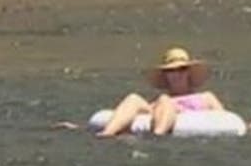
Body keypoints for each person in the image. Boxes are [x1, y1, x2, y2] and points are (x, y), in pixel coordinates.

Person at [96, 47, 224, 137]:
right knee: (134, 98)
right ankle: (107, 134)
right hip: (161, 110)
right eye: (171, 71)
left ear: (188, 72)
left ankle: (158, 134)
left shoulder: (206, 98)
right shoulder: (160, 101)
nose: (176, 74)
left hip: (187, 120)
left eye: (181, 69)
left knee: (164, 100)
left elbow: (225, 118)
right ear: (165, 75)